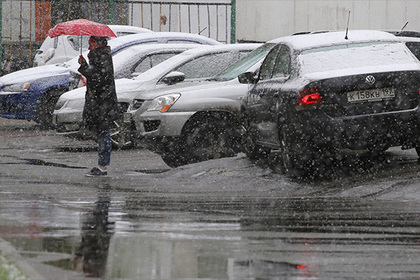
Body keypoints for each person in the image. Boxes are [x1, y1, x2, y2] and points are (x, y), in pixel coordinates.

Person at [78, 36, 118, 177]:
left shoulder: (102, 57)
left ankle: (102, 167)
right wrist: (85, 65)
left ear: (98, 44)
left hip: (103, 103)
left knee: (103, 134)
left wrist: (84, 68)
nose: (89, 47)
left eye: (91, 44)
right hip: (101, 102)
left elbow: (98, 79)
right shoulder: (99, 56)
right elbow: (96, 76)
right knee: (102, 133)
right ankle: (102, 165)